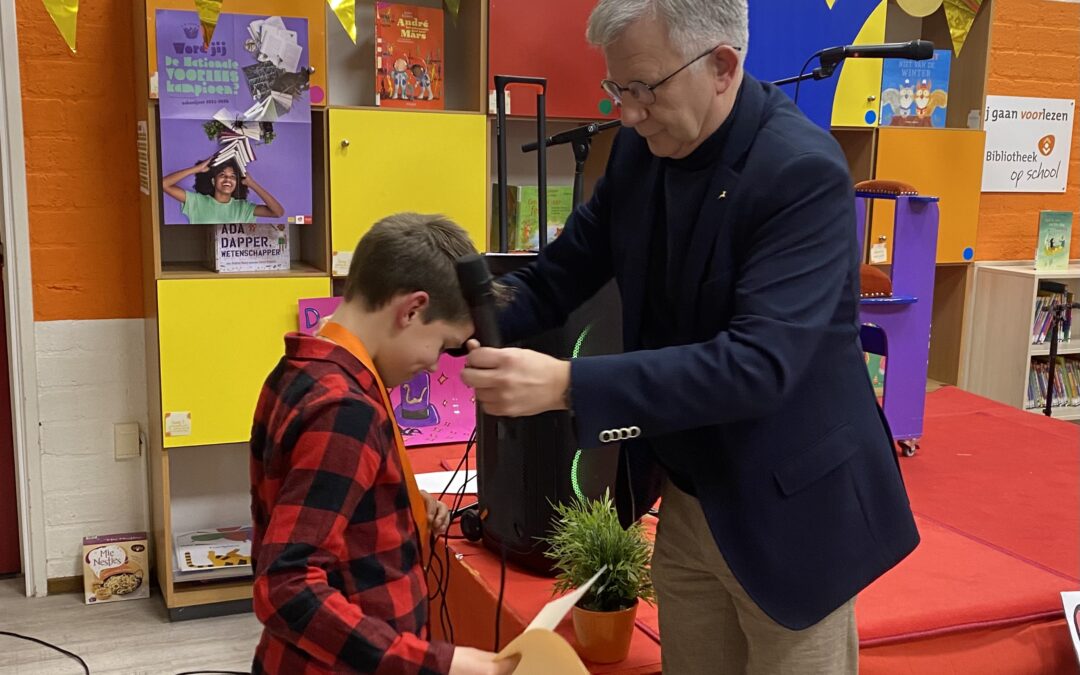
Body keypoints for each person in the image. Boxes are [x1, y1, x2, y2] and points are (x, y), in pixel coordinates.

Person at [460, 1, 920, 672]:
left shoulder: (802, 173)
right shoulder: (643, 157)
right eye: (617, 89)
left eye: (644, 88)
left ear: (723, 67)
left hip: (792, 513)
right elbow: (562, 274)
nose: (627, 112)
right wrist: (456, 314)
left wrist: (566, 383)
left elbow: (757, 366)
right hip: (689, 497)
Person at [250, 213, 515, 675]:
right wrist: (436, 664)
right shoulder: (345, 410)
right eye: (442, 344)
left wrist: (399, 499)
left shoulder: (303, 369)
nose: (435, 365)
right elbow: (285, 587)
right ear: (411, 310)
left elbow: (310, 497)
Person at [162, 157, 284, 224]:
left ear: (236, 183)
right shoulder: (196, 201)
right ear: (214, 181)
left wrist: (252, 184)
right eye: (222, 175)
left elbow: (278, 212)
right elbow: (163, 184)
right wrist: (197, 169)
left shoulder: (244, 208)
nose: (227, 179)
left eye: (232, 176)